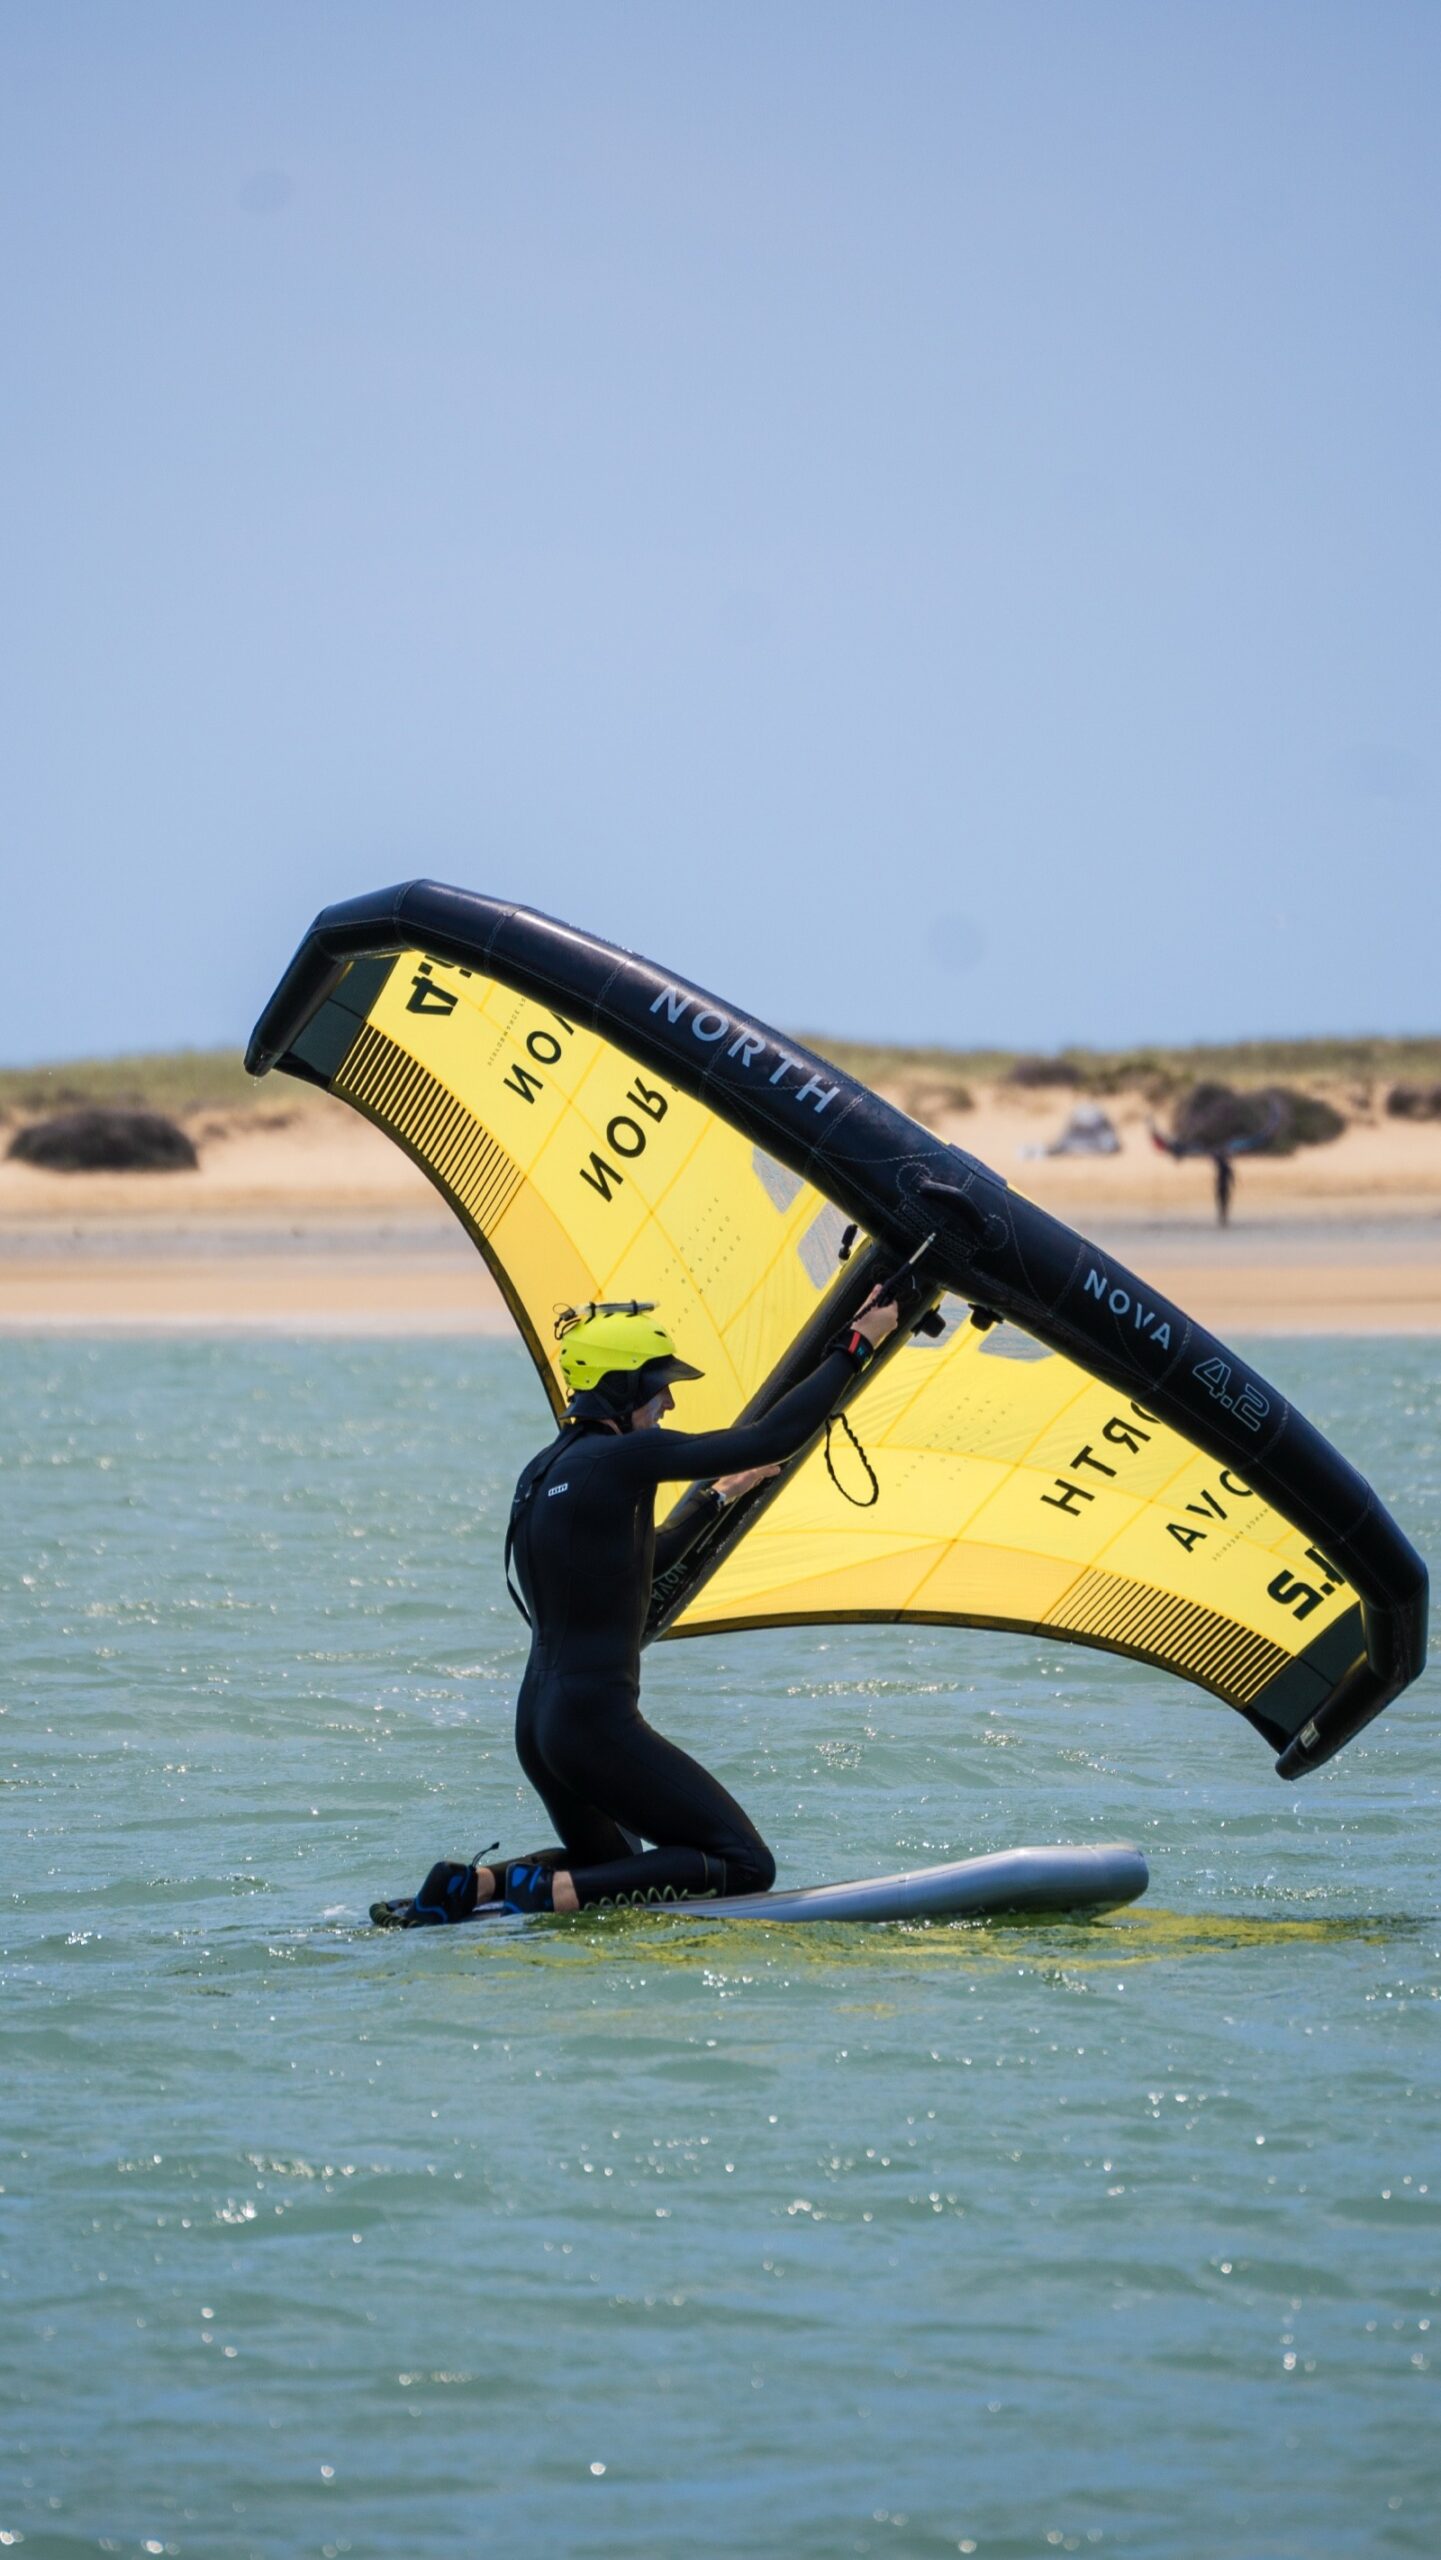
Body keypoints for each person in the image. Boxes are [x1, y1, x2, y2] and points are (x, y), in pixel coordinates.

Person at [400, 1287, 899, 1922]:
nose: (669, 1400)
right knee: (744, 1863)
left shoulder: (548, 1471)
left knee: (614, 1862)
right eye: (658, 1385)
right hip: (592, 1722)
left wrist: (719, 1495)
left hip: (538, 1723)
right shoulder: (620, 1458)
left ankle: (471, 1888)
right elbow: (777, 1433)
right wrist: (859, 1344)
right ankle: (554, 1894)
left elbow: (639, 1562)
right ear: (620, 1386)